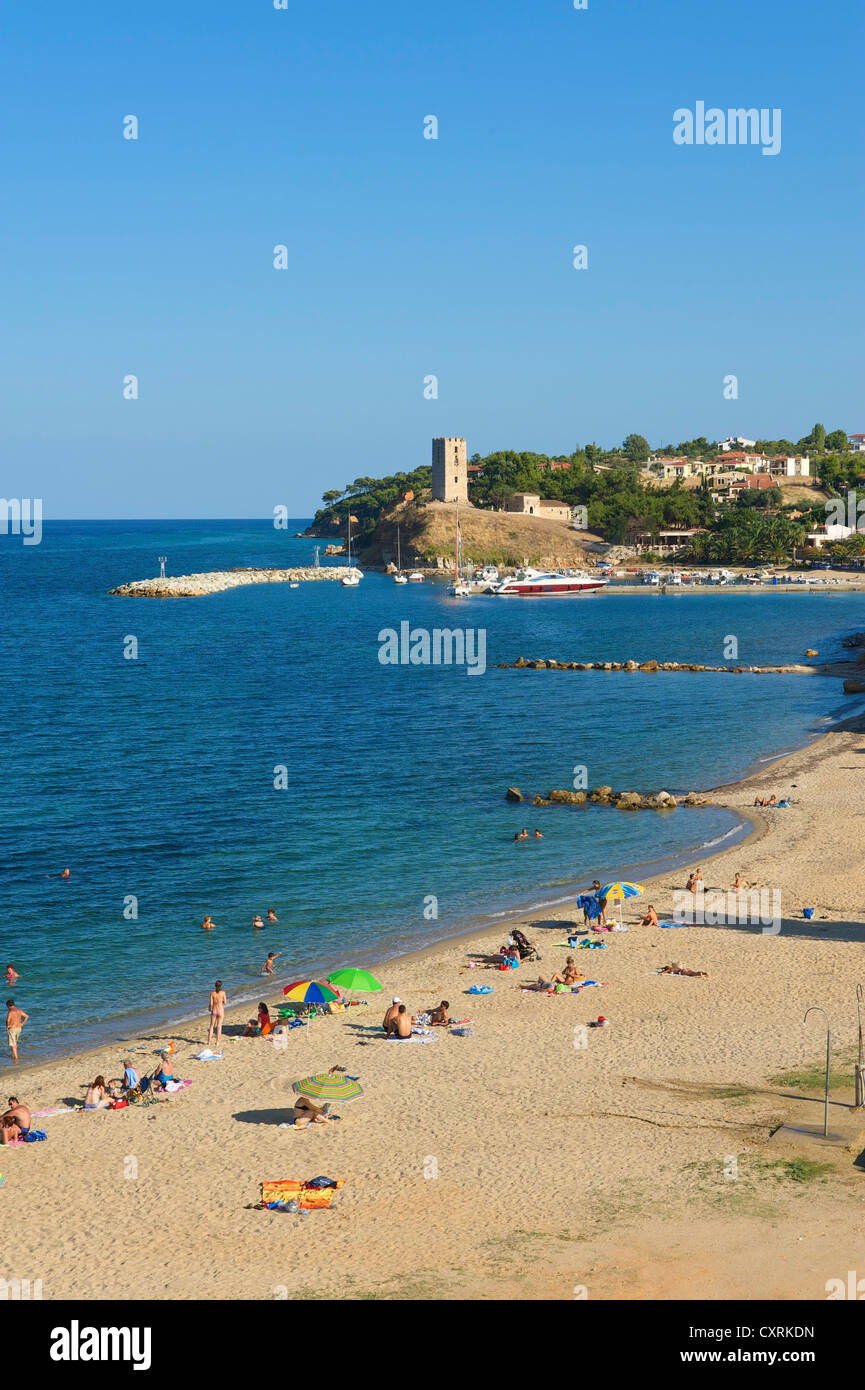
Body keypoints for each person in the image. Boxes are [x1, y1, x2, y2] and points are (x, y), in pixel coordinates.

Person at [5, 1000, 28, 1064]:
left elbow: (7, 1020)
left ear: (8, 1006)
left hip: (12, 1029)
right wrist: (22, 1023)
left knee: (13, 1044)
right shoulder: (19, 1010)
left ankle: (16, 1058)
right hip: (19, 1028)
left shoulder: (10, 1012)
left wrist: (7, 1026)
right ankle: (14, 1055)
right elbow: (26, 1016)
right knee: (15, 1042)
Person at [207, 980, 227, 1047]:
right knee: (219, 1026)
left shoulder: (212, 993)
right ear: (221, 986)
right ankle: (217, 1042)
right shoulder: (223, 993)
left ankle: (209, 1042)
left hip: (214, 1010)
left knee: (212, 1026)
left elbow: (211, 1004)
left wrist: (209, 1008)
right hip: (220, 1010)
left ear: (215, 986)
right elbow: (225, 1002)